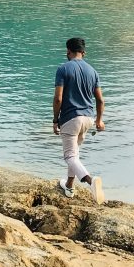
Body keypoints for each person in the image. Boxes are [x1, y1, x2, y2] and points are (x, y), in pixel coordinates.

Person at [53, 37, 105, 202]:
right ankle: (69, 185)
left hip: (71, 119)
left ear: (68, 51)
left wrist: (55, 120)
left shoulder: (63, 69)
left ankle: (91, 181)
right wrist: (99, 120)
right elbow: (100, 100)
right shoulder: (93, 71)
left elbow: (58, 99)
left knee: (69, 157)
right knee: (74, 155)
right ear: (84, 52)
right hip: (88, 119)